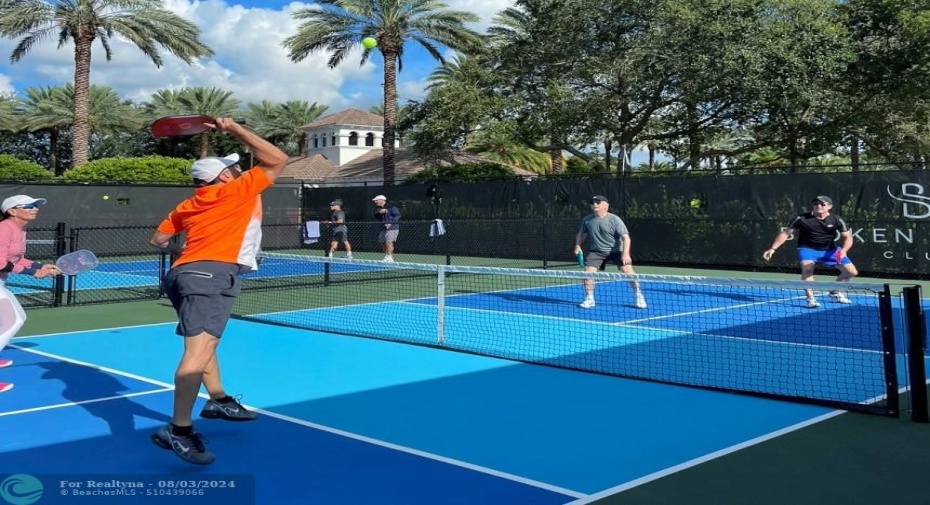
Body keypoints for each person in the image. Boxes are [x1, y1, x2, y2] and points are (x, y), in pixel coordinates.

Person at [148, 118, 288, 465]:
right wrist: (236, 129)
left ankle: (218, 399)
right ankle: (178, 430)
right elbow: (277, 159)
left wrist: (185, 254)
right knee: (197, 351)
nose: (238, 171)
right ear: (223, 177)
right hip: (211, 275)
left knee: (204, 343)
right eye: (233, 168)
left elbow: (158, 240)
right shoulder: (234, 191)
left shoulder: (187, 205)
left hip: (183, 275)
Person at [0, 195, 62, 393]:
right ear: (12, 211)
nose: (35, 208)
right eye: (29, 206)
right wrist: (35, 272)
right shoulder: (4, 229)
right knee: (13, 321)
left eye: (36, 205)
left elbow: (17, 258)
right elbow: (1, 263)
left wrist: (39, 266)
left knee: (19, 317)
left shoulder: (19, 230)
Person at [762, 195, 857, 308]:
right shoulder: (801, 218)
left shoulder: (836, 219)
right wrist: (773, 249)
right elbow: (786, 233)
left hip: (830, 250)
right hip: (807, 249)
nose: (818, 206)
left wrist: (844, 251)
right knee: (807, 269)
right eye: (816, 204)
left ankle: (835, 291)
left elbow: (848, 237)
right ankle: (811, 299)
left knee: (851, 272)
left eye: (822, 204)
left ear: (829, 207)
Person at [574, 195, 647, 309]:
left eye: (598, 202)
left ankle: (639, 295)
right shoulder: (587, 220)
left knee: (627, 271)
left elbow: (626, 238)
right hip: (597, 252)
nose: (595, 204)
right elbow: (582, 234)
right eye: (592, 203)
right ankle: (590, 298)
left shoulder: (614, 219)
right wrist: (578, 246)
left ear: (606, 205)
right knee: (587, 274)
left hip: (617, 250)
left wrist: (626, 254)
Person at [372, 195, 400, 262]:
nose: (375, 201)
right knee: (383, 242)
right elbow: (375, 215)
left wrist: (390, 223)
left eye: (377, 200)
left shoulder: (392, 207)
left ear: (382, 200)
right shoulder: (378, 208)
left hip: (392, 228)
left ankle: (390, 257)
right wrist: (379, 212)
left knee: (389, 242)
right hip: (383, 228)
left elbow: (397, 215)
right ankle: (387, 256)